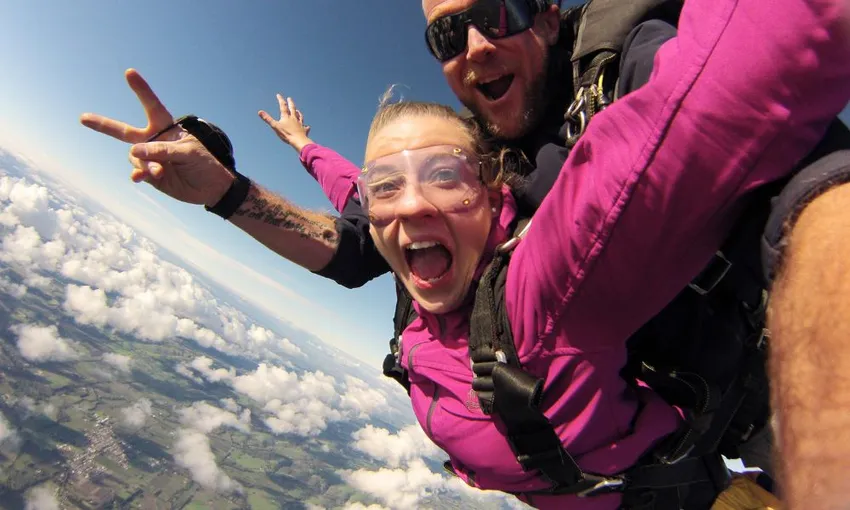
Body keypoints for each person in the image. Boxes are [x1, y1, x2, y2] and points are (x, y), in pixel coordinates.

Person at [79, 0, 850, 507]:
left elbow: (726, 93)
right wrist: (242, 179)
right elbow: (357, 214)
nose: (476, 44)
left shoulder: (542, 278)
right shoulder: (427, 235)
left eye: (499, 11)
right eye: (449, 34)